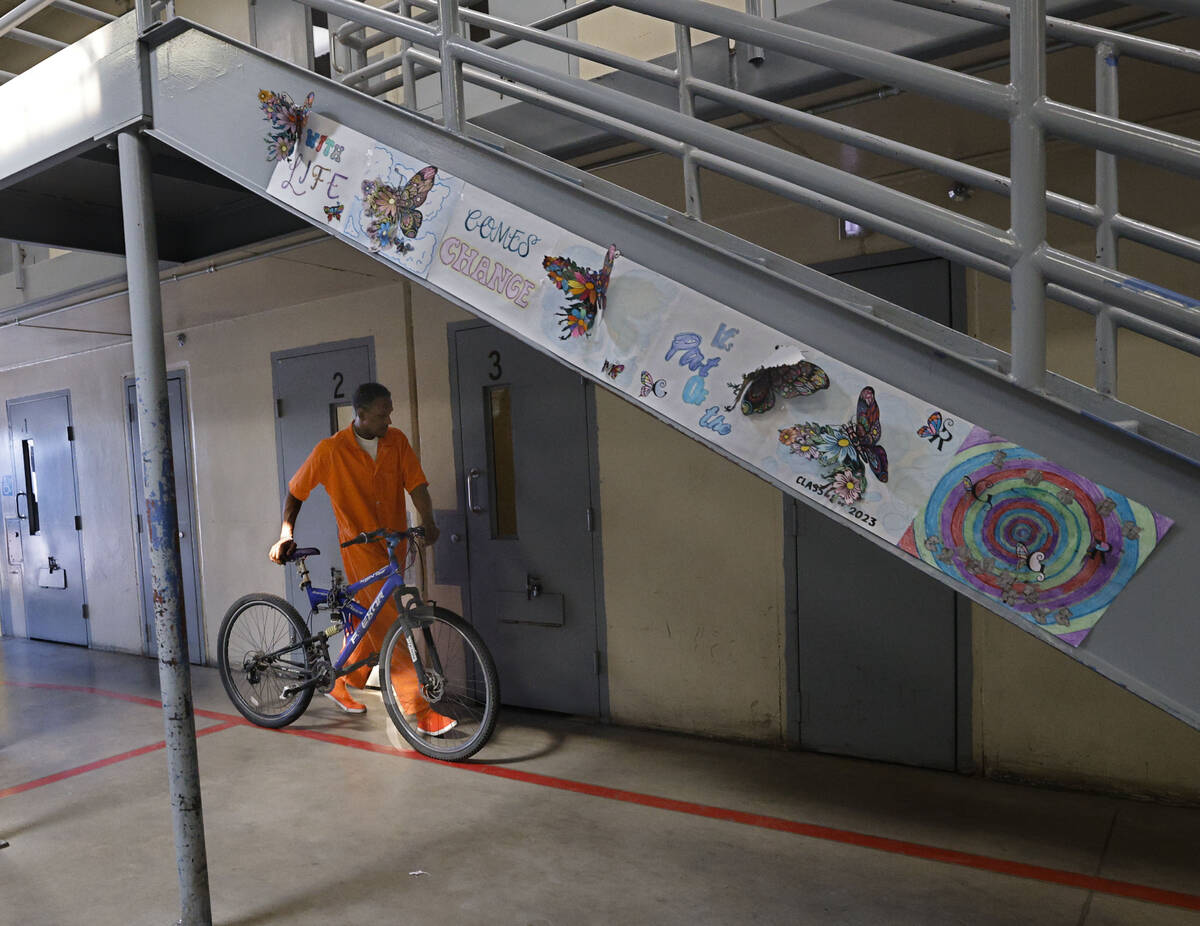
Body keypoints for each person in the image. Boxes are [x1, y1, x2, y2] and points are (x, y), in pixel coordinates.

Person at [269, 382, 454, 734]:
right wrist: (286, 533)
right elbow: (295, 491)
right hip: (360, 548)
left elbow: (417, 485)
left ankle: (340, 680)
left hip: (395, 545)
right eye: (384, 413)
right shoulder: (330, 451)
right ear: (363, 414)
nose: (390, 418)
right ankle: (419, 710)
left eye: (390, 412)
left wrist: (427, 520)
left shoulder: (396, 441)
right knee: (389, 621)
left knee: (371, 619)